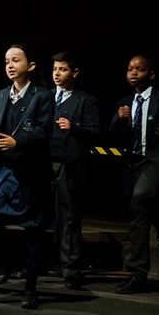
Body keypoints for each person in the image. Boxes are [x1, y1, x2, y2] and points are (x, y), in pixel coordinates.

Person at [0, 43, 54, 309]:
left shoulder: (43, 96)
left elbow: (44, 132)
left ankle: (30, 289)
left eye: (16, 60)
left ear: (30, 66)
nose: (10, 65)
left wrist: (17, 142)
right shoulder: (0, 95)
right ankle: (10, 260)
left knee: (33, 228)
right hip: (4, 167)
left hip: (32, 169)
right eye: (7, 60)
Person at [108, 54, 159, 294]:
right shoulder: (125, 103)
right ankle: (138, 275)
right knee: (137, 213)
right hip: (133, 163)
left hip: (158, 161)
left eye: (139, 69)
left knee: (141, 197)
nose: (133, 73)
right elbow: (111, 136)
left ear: (151, 74)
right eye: (129, 69)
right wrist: (118, 119)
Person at [49, 51, 100, 289]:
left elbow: (94, 131)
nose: (57, 74)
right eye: (55, 69)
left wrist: (74, 127)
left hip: (70, 165)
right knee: (49, 216)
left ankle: (70, 268)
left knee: (70, 217)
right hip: (46, 163)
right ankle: (49, 262)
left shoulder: (85, 100)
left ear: (75, 73)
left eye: (62, 69)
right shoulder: (47, 97)